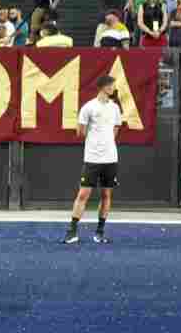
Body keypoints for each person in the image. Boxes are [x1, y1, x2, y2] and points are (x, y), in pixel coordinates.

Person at [64, 75, 123, 245]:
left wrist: (107, 142)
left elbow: (116, 128)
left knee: (106, 195)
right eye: (111, 85)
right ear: (104, 87)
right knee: (83, 194)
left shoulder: (115, 108)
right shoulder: (88, 107)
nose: (113, 88)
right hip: (92, 158)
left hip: (110, 158)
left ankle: (99, 232)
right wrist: (95, 141)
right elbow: (80, 132)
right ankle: (72, 232)